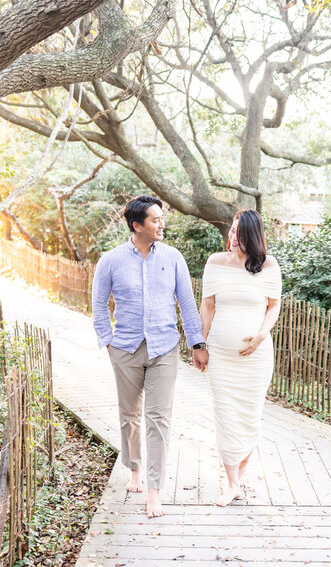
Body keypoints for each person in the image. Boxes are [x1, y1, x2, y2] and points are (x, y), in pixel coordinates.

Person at [92, 195, 208, 518]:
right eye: (155, 220)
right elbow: (99, 304)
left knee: (158, 418)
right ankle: (135, 470)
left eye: (161, 218)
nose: (162, 224)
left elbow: (186, 302)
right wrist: (108, 343)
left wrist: (197, 344)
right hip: (125, 348)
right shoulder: (111, 260)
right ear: (137, 225)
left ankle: (154, 491)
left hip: (164, 349)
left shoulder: (173, 258)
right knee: (130, 415)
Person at [200, 209, 282, 507]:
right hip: (221, 357)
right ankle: (232, 483)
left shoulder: (268, 266)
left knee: (249, 417)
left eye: (240, 233)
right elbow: (207, 306)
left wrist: (261, 334)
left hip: (257, 359)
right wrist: (199, 344)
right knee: (225, 415)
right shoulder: (215, 263)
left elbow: (274, 306)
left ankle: (241, 470)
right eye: (232, 231)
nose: (233, 237)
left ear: (254, 236)